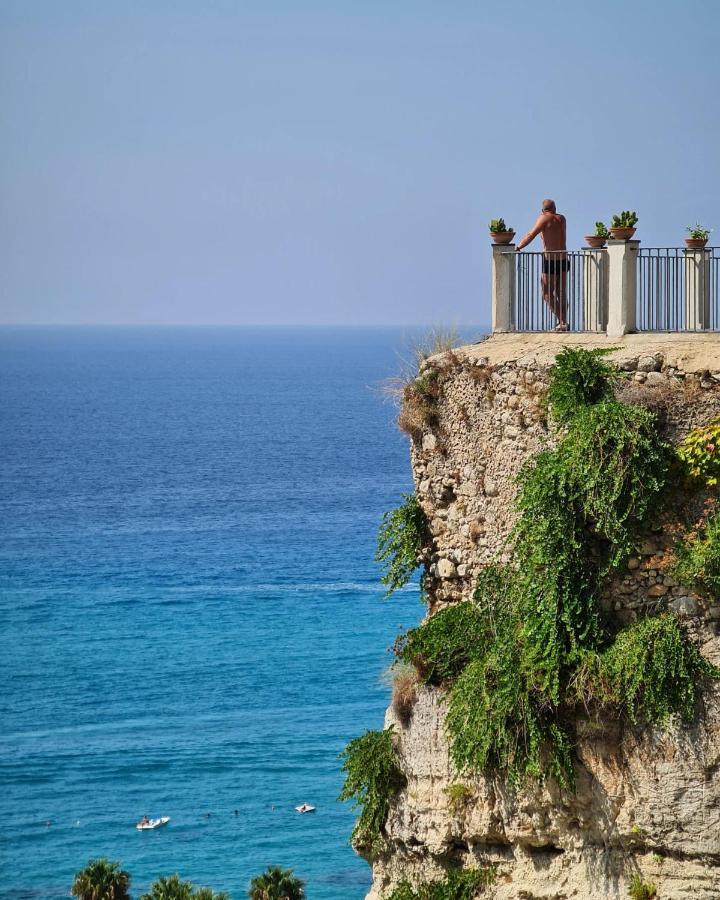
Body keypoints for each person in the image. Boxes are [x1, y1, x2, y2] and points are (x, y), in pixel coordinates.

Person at [516, 199, 568, 331]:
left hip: (550, 260)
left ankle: (562, 320)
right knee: (561, 293)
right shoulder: (562, 219)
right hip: (563, 258)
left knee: (546, 293)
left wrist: (518, 247)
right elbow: (553, 235)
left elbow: (530, 234)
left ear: (542, 210)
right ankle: (563, 322)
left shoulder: (544, 218)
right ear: (555, 208)